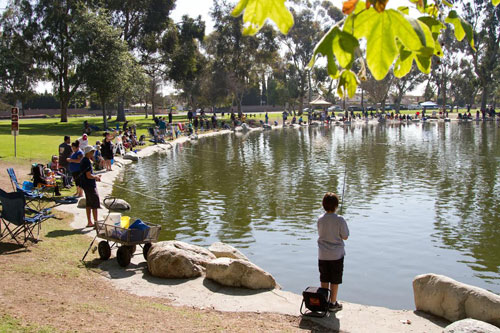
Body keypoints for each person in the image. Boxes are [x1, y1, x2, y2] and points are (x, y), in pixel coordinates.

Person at [317, 192, 349, 312]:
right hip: (336, 255)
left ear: (323, 205)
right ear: (336, 206)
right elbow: (345, 236)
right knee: (335, 280)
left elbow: (321, 233)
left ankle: (324, 301)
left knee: (324, 278)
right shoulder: (340, 219)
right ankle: (333, 303)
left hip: (323, 254)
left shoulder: (320, 219)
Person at [80, 146, 102, 227]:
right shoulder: (86, 161)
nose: (93, 153)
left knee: (88, 203)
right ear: (87, 152)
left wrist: (95, 175)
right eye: (92, 152)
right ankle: (96, 223)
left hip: (85, 184)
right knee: (95, 204)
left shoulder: (84, 160)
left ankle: (90, 222)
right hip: (89, 185)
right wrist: (96, 177)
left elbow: (88, 174)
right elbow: (88, 176)